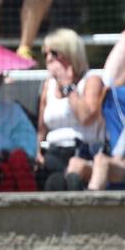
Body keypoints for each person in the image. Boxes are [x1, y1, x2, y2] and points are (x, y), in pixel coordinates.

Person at [36, 28, 104, 190]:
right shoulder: (48, 86)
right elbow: (41, 130)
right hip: (52, 153)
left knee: (60, 181)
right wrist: (36, 150)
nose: (49, 59)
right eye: (45, 54)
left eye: (54, 53)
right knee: (52, 179)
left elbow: (86, 118)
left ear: (71, 53)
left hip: (81, 152)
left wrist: (68, 85)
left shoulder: (91, 81)